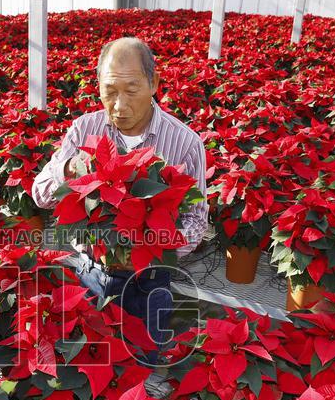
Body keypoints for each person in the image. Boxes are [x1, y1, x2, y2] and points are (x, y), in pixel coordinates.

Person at [31, 37, 209, 365]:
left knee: (142, 369)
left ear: (154, 84)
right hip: (89, 276)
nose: (119, 105)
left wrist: (149, 249)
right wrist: (68, 170)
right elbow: (40, 195)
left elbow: (196, 223)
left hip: (148, 284)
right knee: (87, 366)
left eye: (131, 90)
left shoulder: (185, 143)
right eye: (110, 91)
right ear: (97, 86)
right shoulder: (83, 129)